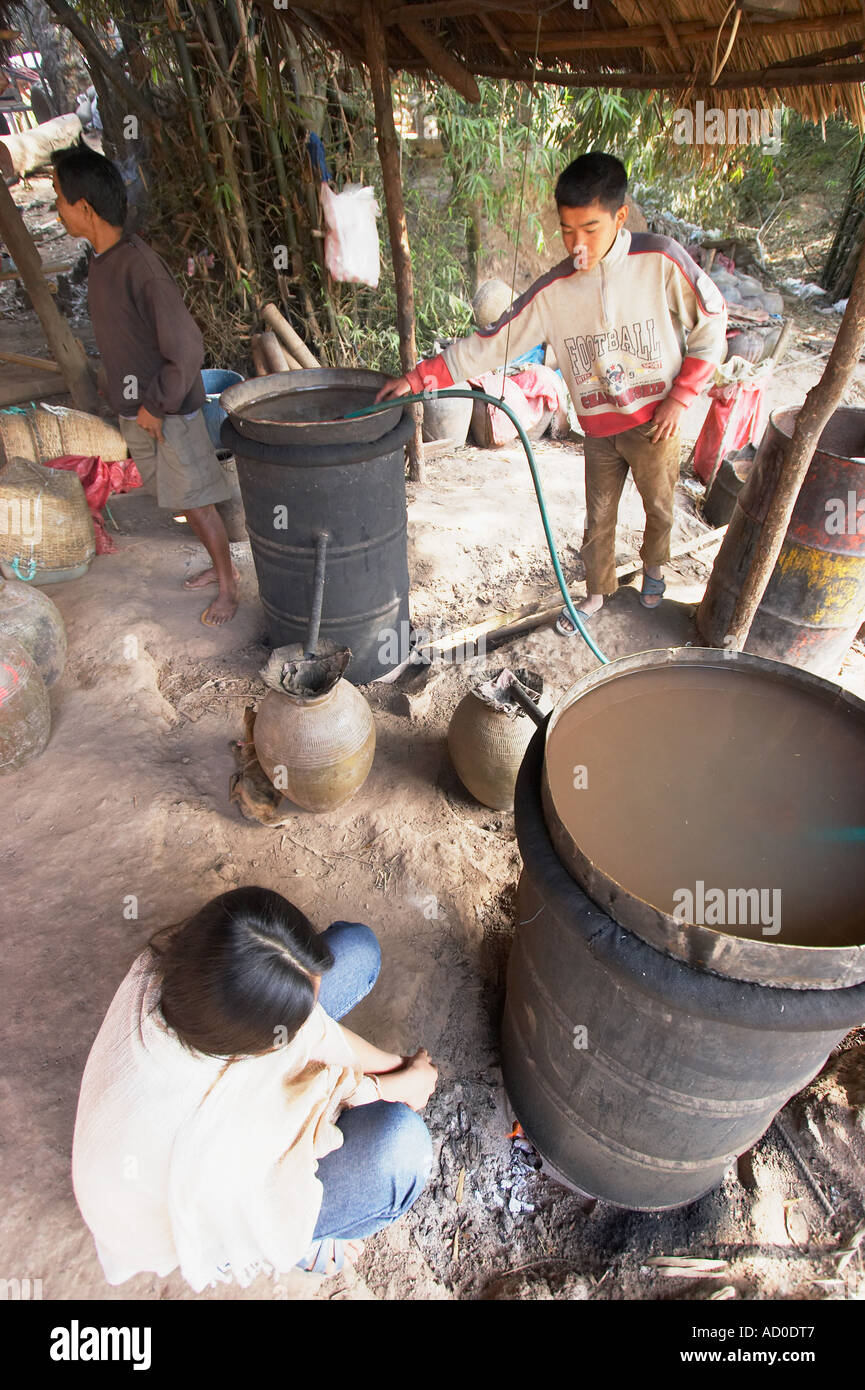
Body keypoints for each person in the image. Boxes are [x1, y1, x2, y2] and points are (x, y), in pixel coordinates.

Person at [376, 152, 727, 627]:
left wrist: (681, 397)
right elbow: (491, 343)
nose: (577, 245)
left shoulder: (660, 261)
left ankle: (654, 569)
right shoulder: (554, 291)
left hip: (656, 423)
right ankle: (597, 593)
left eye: (590, 229)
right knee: (597, 516)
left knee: (660, 507)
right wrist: (421, 377)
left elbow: (712, 322)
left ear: (620, 217)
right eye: (566, 230)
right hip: (599, 428)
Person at [71, 888, 437, 1289]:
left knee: (355, 948)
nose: (307, 1023)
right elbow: (306, 1120)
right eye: (293, 1024)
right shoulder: (228, 1120)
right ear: (258, 1043)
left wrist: (398, 1067)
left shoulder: (177, 972)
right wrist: (395, 1087)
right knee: (402, 1146)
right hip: (199, 1210)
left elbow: (310, 1035)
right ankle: (279, 1248)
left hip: (212, 1111)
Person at [51, 139, 239, 627]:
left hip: (167, 412)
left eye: (58, 197)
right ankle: (218, 570)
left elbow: (188, 349)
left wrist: (155, 405)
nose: (55, 209)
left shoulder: (141, 268)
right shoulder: (102, 261)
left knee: (195, 497)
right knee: (182, 499)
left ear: (85, 207)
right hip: (141, 410)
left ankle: (230, 585)